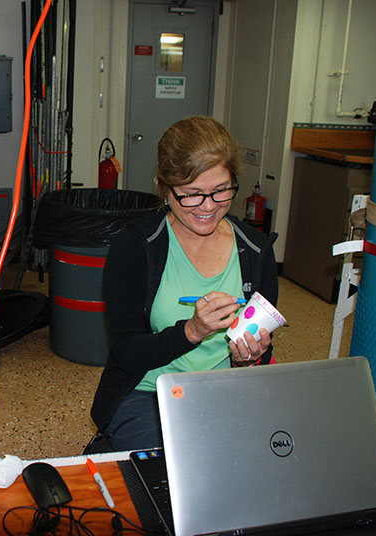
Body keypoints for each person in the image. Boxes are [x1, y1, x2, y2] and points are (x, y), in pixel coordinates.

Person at [89, 116, 278, 452]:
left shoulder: (255, 251)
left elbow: (261, 352)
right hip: (150, 390)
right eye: (192, 194)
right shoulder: (136, 246)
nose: (208, 207)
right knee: (175, 466)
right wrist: (191, 331)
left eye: (221, 190)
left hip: (227, 390)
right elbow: (126, 353)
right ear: (165, 187)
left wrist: (249, 358)